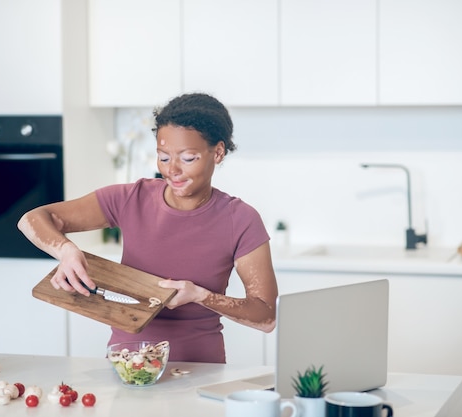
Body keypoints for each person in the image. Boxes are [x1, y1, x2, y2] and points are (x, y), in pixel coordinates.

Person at [17, 92, 278, 363]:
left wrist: (202, 296)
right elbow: (33, 218)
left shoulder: (241, 219)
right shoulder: (132, 198)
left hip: (200, 368)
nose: (172, 170)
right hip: (127, 364)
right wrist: (67, 252)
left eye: (188, 158)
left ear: (218, 153)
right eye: (163, 157)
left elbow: (266, 317)